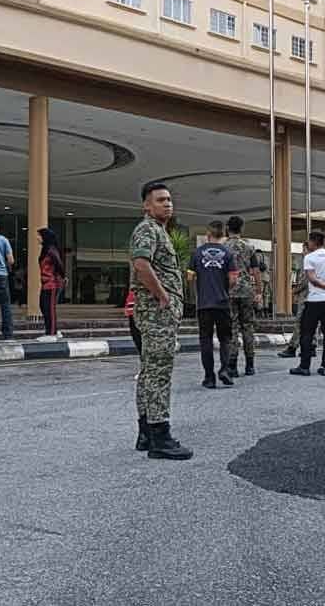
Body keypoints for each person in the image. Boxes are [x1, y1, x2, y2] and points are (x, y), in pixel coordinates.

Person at [130, 182, 192, 460]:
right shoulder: (147, 229)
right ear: (146, 205)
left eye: (168, 199)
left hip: (156, 313)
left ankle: (146, 433)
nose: (167, 204)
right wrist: (164, 296)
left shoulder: (157, 231)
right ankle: (160, 437)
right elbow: (141, 264)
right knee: (158, 373)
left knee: (149, 372)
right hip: (157, 314)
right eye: (160, 200)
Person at [189, 220, 239, 388]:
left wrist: (201, 284)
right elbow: (233, 279)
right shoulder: (228, 253)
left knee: (206, 340)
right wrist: (224, 288)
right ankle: (225, 369)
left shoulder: (197, 253)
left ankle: (209, 378)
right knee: (225, 338)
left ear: (208, 234)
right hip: (223, 303)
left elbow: (189, 277)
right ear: (223, 235)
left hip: (204, 304)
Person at [290, 230, 325, 376]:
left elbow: (312, 279)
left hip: (314, 300)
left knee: (307, 332)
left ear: (312, 242)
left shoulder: (310, 258)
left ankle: (304, 366)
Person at [225, 215, 262, 377]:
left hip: (229, 291)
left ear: (228, 228)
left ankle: (232, 365)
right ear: (241, 229)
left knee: (232, 327)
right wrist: (259, 291)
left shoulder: (223, 247)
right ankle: (250, 365)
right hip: (247, 291)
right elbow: (256, 271)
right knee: (248, 327)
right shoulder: (249, 247)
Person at [278, 242, 315, 360]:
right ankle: (312, 347)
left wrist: (294, 291)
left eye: (303, 249)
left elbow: (304, 281)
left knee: (300, 323)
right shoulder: (317, 261)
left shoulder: (308, 261)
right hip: (314, 297)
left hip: (306, 297)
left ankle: (292, 348)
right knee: (312, 323)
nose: (302, 252)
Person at [38, 227, 66, 337]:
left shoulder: (51, 250)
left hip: (52, 283)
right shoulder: (45, 249)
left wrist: (62, 277)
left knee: (49, 308)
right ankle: (50, 330)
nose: (38, 238)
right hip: (45, 283)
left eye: (39, 236)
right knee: (43, 306)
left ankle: (52, 333)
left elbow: (59, 265)